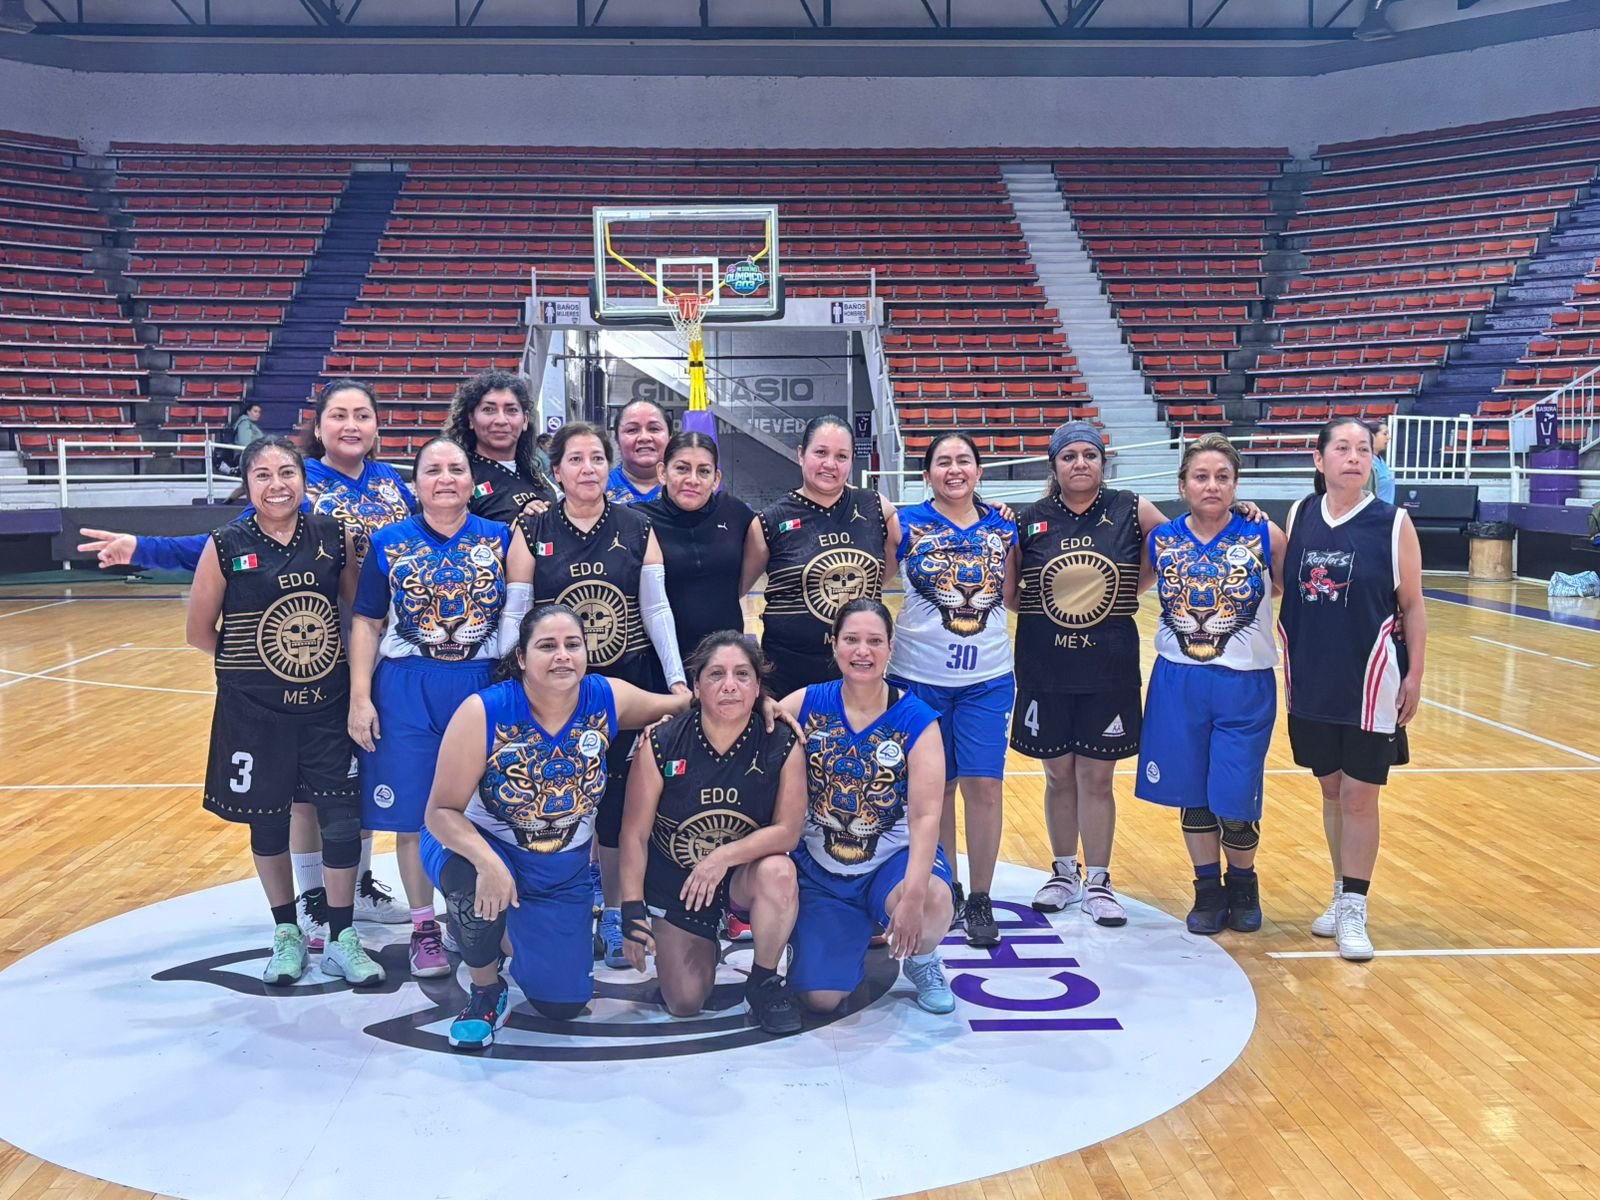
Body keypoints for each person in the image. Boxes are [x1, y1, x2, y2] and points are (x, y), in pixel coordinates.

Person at [81, 379, 417, 933]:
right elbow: (224, 543)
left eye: (362, 414)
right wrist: (143, 547)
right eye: (338, 414)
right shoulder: (298, 484)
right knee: (312, 792)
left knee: (357, 775)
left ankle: (356, 883)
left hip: (386, 650)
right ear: (319, 427)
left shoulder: (393, 485)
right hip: (314, 657)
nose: (351, 424)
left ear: (378, 426)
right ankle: (314, 895)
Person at [422, 605, 691, 1051]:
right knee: (474, 887)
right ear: (523, 658)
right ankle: (486, 990)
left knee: (563, 1002)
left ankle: (496, 931)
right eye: (547, 646)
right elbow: (440, 812)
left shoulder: (607, 697)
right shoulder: (483, 712)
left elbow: (684, 705)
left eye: (572, 645)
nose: (562, 656)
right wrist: (489, 862)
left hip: (559, 869)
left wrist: (759, 703)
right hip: (479, 846)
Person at [183, 436, 383, 988]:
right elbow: (200, 632)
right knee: (268, 820)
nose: (277, 485)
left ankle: (342, 935)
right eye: (264, 475)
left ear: (304, 479)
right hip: (255, 711)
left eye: (287, 473)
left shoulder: (332, 535)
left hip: (327, 706)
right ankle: (287, 932)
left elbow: (352, 611)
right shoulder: (225, 544)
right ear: (247, 485)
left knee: (342, 819)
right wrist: (261, 662)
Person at [499, 421, 689, 970]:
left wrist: (676, 680)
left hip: (623, 684)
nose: (587, 469)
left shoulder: (635, 525)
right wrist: (515, 676)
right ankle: (564, 903)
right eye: (575, 460)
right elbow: (516, 610)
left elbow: (656, 611)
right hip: (553, 691)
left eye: (596, 459)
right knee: (558, 796)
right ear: (555, 471)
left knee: (616, 805)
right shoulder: (534, 529)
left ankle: (612, 907)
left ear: (609, 468)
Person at [347, 438, 511, 978]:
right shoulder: (388, 541)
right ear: (414, 484)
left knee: (490, 808)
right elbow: (368, 621)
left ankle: (486, 914)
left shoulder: (501, 539)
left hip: (482, 684)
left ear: (471, 480)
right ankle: (425, 927)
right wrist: (361, 696)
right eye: (433, 470)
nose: (445, 478)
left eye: (456, 469)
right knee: (415, 815)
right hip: (406, 687)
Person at [1280, 418, 1427, 962]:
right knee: (1332, 791)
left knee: (1362, 796)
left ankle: (1356, 910)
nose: (1353, 457)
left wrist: (1414, 675)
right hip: (1312, 677)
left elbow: (1412, 605)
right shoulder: (1298, 516)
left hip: (1372, 680)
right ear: (1319, 461)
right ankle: (1340, 891)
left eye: (1362, 449)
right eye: (1340, 448)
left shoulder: (1394, 523)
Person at [1008, 421, 1161, 927]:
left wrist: (1241, 513)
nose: (1080, 464)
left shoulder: (1130, 508)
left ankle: (1099, 877)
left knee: (1097, 776)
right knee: (1057, 774)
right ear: (1053, 465)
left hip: (1108, 665)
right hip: (1044, 666)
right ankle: (1063, 871)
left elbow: (1181, 540)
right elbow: (1012, 594)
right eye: (1069, 456)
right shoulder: (1029, 520)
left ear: (1103, 462)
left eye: (1089, 455)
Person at [1134, 434, 1285, 935]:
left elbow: (1298, 596)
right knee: (1193, 796)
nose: (1212, 485)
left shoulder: (1264, 535)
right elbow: (1118, 588)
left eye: (1223, 476)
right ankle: (1207, 889)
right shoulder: (1161, 540)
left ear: (1236, 485)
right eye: (1201, 476)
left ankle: (1243, 882)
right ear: (1183, 485)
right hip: (1178, 679)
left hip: (1245, 683)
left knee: (1234, 797)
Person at [618, 633, 807, 1034]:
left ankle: (764, 979)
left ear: (757, 687)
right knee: (685, 1002)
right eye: (716, 674)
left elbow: (788, 832)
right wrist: (632, 910)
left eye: (742, 674)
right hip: (681, 883)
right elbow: (634, 834)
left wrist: (720, 859)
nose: (729, 685)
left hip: (741, 876)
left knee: (779, 871)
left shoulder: (781, 741)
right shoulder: (663, 741)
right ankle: (699, 941)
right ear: (697, 685)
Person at [778, 599, 956, 1016]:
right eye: (852, 640)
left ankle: (922, 957)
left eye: (875, 641)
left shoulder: (917, 719)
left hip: (891, 862)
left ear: (891, 647)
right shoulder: (805, 703)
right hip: (823, 870)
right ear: (834, 645)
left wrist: (911, 898)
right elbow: (749, 726)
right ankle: (835, 939)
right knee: (821, 1000)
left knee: (931, 903)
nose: (863, 651)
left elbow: (928, 815)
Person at [886, 432, 1017, 948]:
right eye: (944, 461)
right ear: (928, 473)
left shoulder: (1005, 526)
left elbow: (1011, 596)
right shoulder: (904, 523)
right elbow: (874, 579)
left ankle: (981, 896)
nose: (955, 469)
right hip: (917, 677)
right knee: (933, 792)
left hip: (986, 677)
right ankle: (947, 886)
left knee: (983, 786)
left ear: (980, 471)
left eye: (965, 460)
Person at [746, 414, 900, 699]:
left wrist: (979, 507)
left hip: (858, 671)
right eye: (821, 452)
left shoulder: (877, 508)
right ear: (801, 455)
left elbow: (890, 564)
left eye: (842, 456)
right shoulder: (770, 521)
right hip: (788, 676)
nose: (830, 464)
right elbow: (737, 589)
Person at [639, 430, 762, 661]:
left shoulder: (734, 512)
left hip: (726, 660)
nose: (692, 480)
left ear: (716, 479)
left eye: (703, 471)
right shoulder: (639, 521)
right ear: (662, 472)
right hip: (661, 662)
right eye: (682, 469)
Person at [445, 368, 558, 523]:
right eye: (488, 410)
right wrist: (519, 528)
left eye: (511, 410)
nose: (501, 420)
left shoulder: (535, 472)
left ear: (524, 420)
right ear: (470, 419)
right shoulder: (458, 477)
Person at [607, 397, 671, 504]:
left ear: (670, 438)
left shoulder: (685, 488)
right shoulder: (599, 490)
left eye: (654, 429)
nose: (644, 437)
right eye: (632, 430)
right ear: (617, 441)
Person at [220, 402, 264, 472]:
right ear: (248, 412)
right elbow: (245, 443)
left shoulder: (250, 424)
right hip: (249, 457)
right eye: (255, 411)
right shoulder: (244, 423)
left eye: (259, 412)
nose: (258, 414)